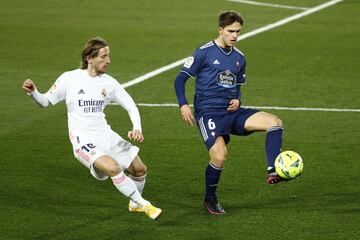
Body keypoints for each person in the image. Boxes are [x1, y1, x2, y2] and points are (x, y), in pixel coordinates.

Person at [22, 37, 162, 220]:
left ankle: (135, 204)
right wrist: (33, 92)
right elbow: (45, 101)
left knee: (140, 169)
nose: (108, 60)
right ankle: (145, 205)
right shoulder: (69, 78)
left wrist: (137, 128)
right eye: (103, 57)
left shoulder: (109, 83)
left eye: (108, 56)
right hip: (83, 141)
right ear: (89, 58)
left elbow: (130, 105)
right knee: (113, 168)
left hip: (106, 135)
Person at [174, 11, 287, 215]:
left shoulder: (239, 57)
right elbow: (180, 79)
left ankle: (273, 169)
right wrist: (183, 104)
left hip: (232, 112)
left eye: (238, 32)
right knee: (219, 157)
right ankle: (210, 199)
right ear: (220, 30)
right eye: (230, 31)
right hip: (208, 113)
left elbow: (237, 86)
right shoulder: (203, 52)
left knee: (274, 122)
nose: (234, 36)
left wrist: (238, 99)